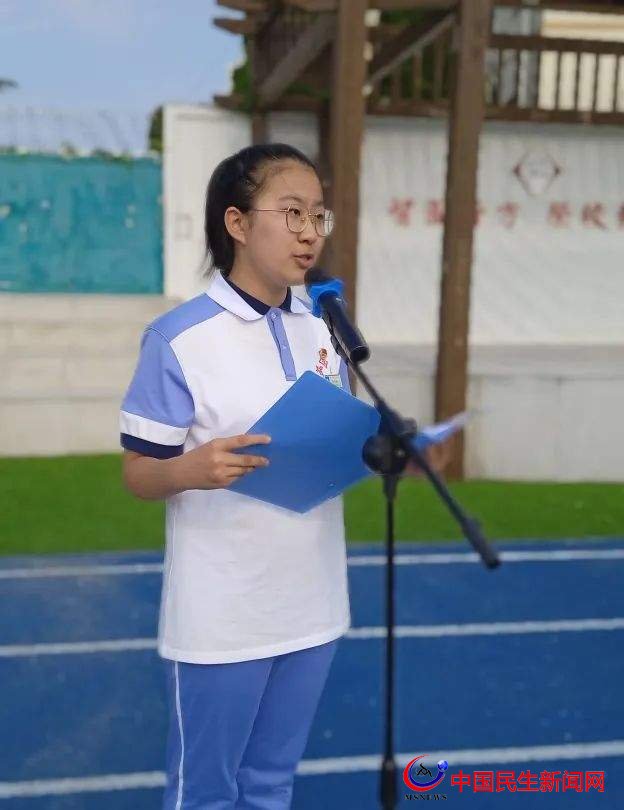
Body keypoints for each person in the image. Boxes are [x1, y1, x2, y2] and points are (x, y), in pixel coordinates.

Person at [119, 143, 449, 809]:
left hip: (312, 601)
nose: (309, 232)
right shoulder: (178, 339)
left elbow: (336, 442)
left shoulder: (325, 326)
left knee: (272, 785)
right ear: (237, 223)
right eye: (292, 212)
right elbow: (139, 473)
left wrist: (397, 453)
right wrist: (191, 468)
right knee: (204, 794)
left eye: (318, 215)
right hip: (222, 613)